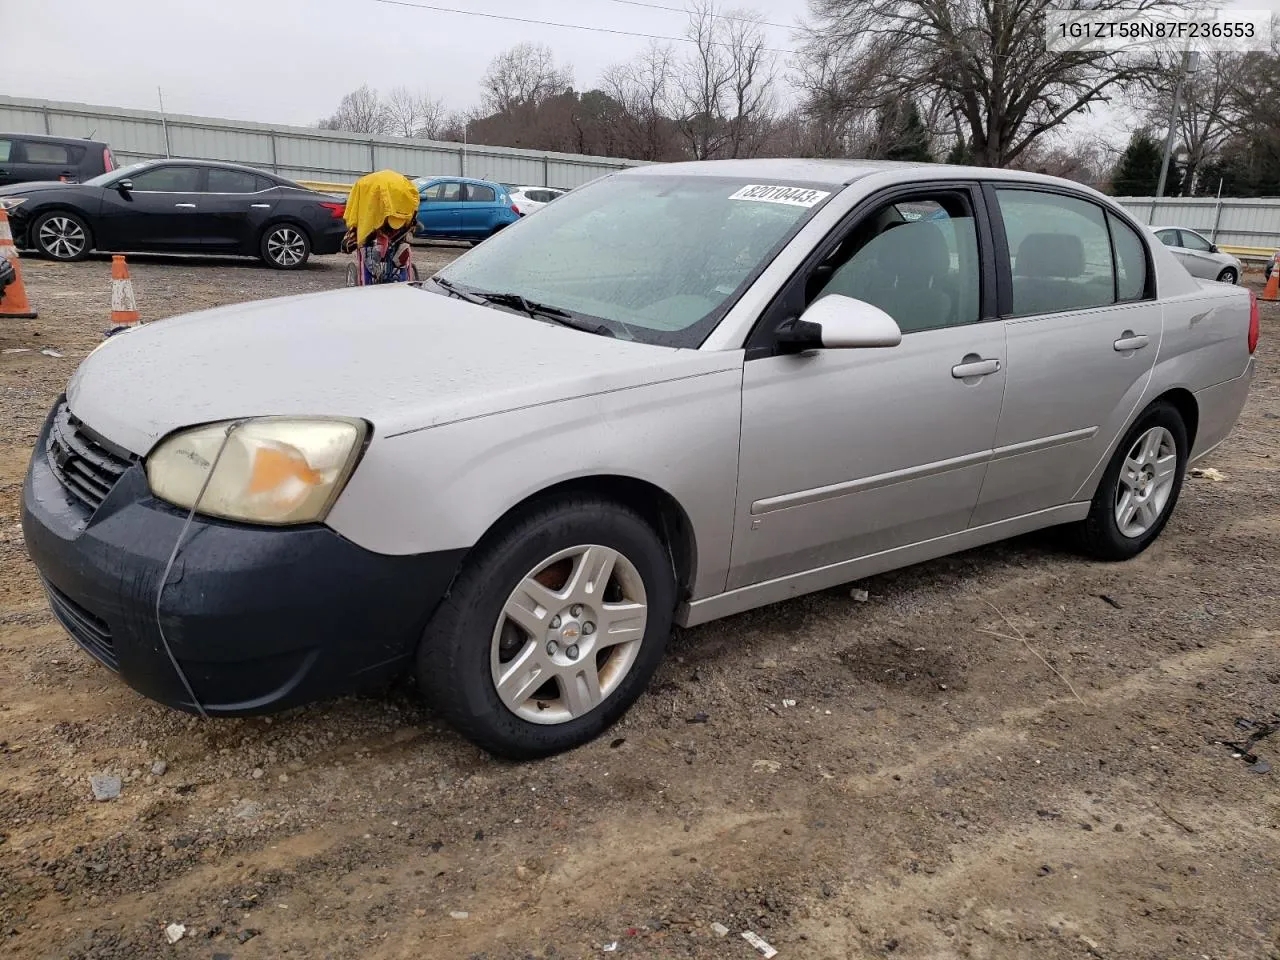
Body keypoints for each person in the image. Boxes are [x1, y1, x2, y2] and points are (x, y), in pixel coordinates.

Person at [341, 170, 420, 285]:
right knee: (400, 248)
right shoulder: (405, 186)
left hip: (376, 227)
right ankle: (400, 275)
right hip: (398, 227)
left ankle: (370, 277)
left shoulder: (364, 185)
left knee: (367, 248)